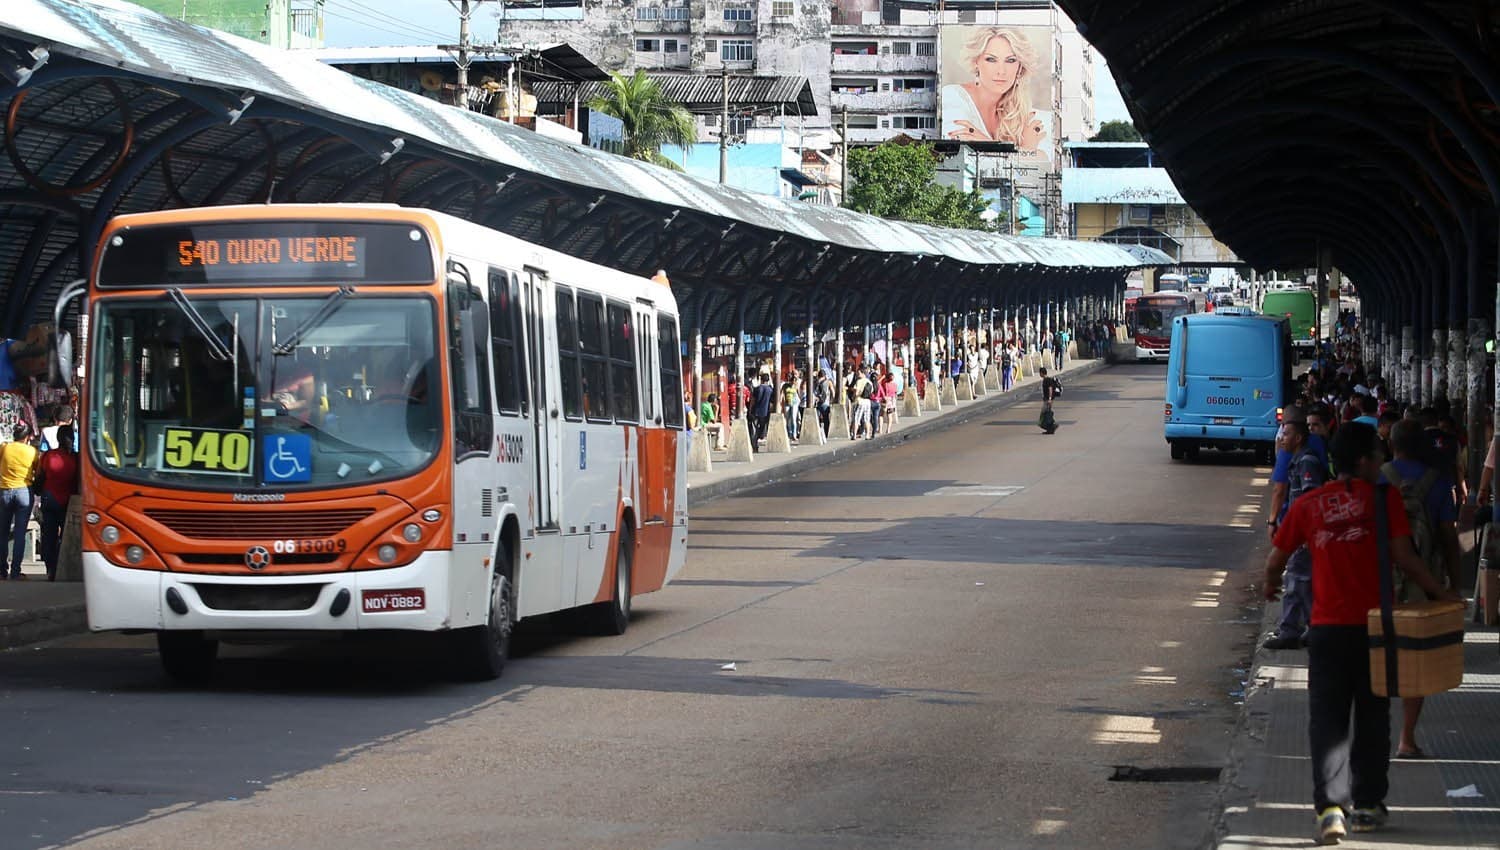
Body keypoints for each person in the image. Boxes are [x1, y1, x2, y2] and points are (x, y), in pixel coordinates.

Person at [1265, 423, 1458, 843]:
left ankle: (1331, 810)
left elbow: (1276, 556)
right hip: (1375, 629)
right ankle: (1368, 805)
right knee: (1372, 718)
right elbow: (1406, 558)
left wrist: (1269, 583)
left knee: (1328, 723)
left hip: (1327, 633)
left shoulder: (1310, 504)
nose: (1382, 461)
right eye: (1377, 455)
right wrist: (1442, 593)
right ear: (1366, 462)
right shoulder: (1384, 499)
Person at [1383, 419, 1463, 761]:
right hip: (1424, 578)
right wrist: (1453, 583)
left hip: (1381, 576)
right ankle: (1406, 738)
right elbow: (1448, 534)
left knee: (1376, 651)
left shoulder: (1378, 476)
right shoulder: (1438, 482)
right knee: (1416, 658)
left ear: (1391, 444)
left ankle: (1373, 730)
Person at [940, 27, 1051, 163]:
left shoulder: (1029, 117)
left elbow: (1045, 165)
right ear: (976, 62)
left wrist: (985, 145)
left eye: (1010, 60)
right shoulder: (952, 98)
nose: (1001, 71)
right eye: (991, 59)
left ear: (1020, 67)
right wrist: (1026, 150)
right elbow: (963, 163)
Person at [1264, 418, 1327, 650]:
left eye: (1287, 434)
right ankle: (1309, 627)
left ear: (1298, 438)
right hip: (1300, 534)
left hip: (1304, 536)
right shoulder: (1296, 460)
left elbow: (1311, 500)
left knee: (1296, 580)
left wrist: (1307, 535)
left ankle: (1293, 630)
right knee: (1300, 581)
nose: (1282, 439)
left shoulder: (1306, 461)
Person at [36, 423, 78, 582]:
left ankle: (50, 568)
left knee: (48, 535)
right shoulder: (75, 458)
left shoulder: (47, 456)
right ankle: (61, 565)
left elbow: (40, 476)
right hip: (67, 501)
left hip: (49, 498)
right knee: (65, 536)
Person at [0, 422, 39, 580]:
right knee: (20, 533)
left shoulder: (4, 448)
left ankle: (2, 571)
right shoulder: (32, 451)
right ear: (28, 437)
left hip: (4, 492)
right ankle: (15, 572)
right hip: (24, 492)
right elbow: (38, 470)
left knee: (2, 533)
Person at [749, 374, 775, 450]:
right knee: (762, 427)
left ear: (761, 380)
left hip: (755, 411)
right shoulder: (770, 390)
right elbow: (772, 402)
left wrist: (750, 410)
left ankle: (754, 444)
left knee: (754, 428)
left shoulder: (757, 389)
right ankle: (760, 436)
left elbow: (752, 401)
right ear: (768, 380)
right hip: (765, 412)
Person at [1038, 367, 1061, 434]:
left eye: (1040, 373)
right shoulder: (1046, 379)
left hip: (1048, 400)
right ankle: (1050, 429)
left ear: (1042, 373)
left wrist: (1050, 399)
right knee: (1046, 413)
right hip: (1047, 399)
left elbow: (1050, 389)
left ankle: (1053, 425)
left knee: (1045, 414)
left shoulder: (1047, 380)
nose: (1040, 374)